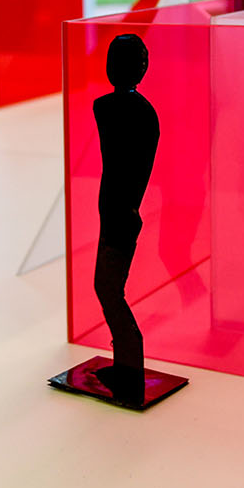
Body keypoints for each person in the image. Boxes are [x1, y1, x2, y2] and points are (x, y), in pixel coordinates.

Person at [91, 33, 160, 402]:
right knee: (107, 288)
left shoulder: (109, 108)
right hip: (119, 211)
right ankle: (126, 361)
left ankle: (129, 362)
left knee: (107, 289)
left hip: (120, 213)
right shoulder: (144, 112)